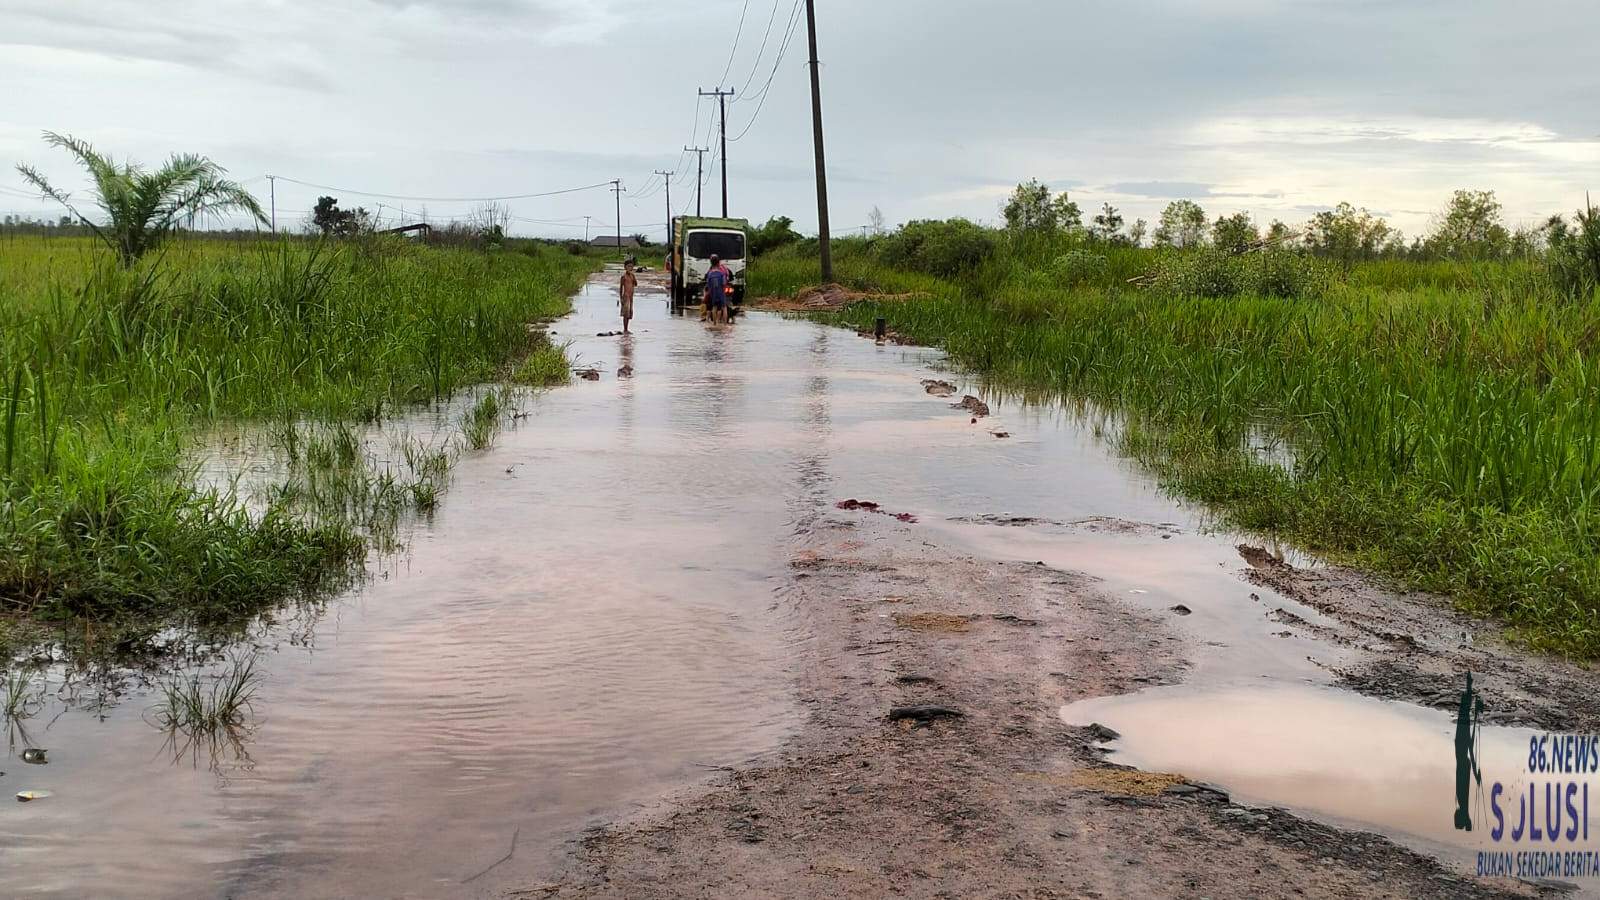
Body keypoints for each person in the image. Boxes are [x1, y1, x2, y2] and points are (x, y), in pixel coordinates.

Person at [703, 254, 733, 326]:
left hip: (713, 293)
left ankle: (714, 324)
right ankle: (725, 324)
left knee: (714, 307)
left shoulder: (710, 274)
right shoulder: (722, 273)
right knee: (724, 307)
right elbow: (724, 283)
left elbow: (708, 285)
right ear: (718, 262)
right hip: (721, 292)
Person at [618, 256, 637, 335]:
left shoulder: (632, 276)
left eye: (631, 266)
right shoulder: (623, 277)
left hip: (631, 296)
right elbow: (621, 288)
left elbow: (635, 284)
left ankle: (627, 329)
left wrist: (634, 277)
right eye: (628, 266)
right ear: (625, 267)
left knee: (629, 313)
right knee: (625, 314)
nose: (630, 268)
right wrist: (621, 298)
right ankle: (625, 329)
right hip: (625, 296)